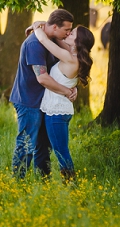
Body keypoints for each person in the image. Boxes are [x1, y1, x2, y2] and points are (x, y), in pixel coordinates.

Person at [10, 9, 77, 178]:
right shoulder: (34, 44)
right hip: (29, 101)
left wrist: (71, 87)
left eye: (71, 30)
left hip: (44, 101)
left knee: (43, 146)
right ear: (55, 27)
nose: (68, 33)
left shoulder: (52, 39)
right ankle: (18, 182)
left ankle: (43, 183)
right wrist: (67, 92)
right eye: (66, 30)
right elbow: (43, 78)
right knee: (26, 144)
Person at [32, 20, 95, 183]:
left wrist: (36, 27)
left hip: (57, 113)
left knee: (61, 151)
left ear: (77, 42)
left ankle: (71, 184)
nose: (68, 33)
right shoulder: (73, 55)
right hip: (59, 110)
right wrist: (49, 26)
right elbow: (57, 39)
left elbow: (44, 41)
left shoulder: (69, 58)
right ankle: (49, 179)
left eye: (72, 33)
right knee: (57, 148)